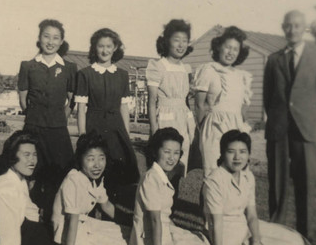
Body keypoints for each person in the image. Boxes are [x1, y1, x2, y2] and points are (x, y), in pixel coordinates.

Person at [263, 10, 316, 240]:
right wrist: (276, 118)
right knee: (277, 179)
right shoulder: (274, 59)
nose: (293, 30)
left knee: (306, 182)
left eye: (297, 25)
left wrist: (315, 124)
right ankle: (276, 228)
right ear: (283, 28)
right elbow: (267, 96)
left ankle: (305, 231)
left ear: (305, 29)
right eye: (289, 26)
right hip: (279, 128)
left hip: (306, 129)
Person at [203, 130, 307, 245]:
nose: (237, 157)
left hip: (244, 227)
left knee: (295, 240)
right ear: (222, 153)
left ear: (249, 154)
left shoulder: (248, 176)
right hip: (228, 236)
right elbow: (216, 223)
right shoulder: (214, 181)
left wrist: (256, 241)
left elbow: (252, 215)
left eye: (243, 152)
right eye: (231, 151)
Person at [75, 28, 140, 224]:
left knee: (114, 173)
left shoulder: (122, 74)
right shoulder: (85, 74)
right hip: (94, 125)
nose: (104, 50)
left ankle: (108, 216)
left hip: (115, 128)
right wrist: (82, 135)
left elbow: (123, 107)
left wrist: (126, 135)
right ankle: (90, 216)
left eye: (109, 46)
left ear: (115, 48)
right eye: (101, 46)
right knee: (92, 171)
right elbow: (81, 109)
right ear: (95, 48)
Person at [129, 128, 212, 245]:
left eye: (176, 153)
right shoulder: (152, 179)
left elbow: (162, 215)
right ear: (156, 152)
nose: (172, 158)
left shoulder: (160, 175)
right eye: (167, 152)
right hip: (149, 240)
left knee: (199, 240)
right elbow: (155, 220)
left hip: (160, 230)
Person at [17, 19, 77, 222]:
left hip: (57, 128)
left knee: (62, 171)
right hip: (33, 127)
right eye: (46, 36)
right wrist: (33, 116)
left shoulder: (69, 67)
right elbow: (23, 97)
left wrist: (61, 117)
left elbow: (72, 98)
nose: (50, 42)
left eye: (55, 38)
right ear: (39, 38)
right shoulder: (28, 65)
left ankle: (55, 213)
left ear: (61, 42)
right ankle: (31, 214)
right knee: (31, 172)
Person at [52, 133, 130, 245]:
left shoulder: (94, 179)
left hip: (84, 226)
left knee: (124, 233)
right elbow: (72, 220)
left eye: (101, 158)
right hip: (68, 235)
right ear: (80, 159)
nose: (97, 165)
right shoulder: (74, 180)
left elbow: (106, 206)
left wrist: (133, 221)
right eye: (91, 159)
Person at [193, 26, 253, 177]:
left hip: (236, 129)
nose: (231, 52)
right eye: (228, 47)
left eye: (235, 49)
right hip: (214, 129)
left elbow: (243, 109)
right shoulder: (208, 70)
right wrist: (202, 131)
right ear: (219, 47)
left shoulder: (242, 76)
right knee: (213, 175)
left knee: (233, 177)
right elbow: (199, 105)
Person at [146, 19, 195, 176]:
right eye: (176, 40)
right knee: (161, 167)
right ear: (166, 41)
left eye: (184, 41)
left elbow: (187, 100)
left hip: (183, 120)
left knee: (179, 165)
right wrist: (154, 130)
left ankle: (172, 200)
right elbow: (152, 101)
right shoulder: (158, 66)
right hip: (165, 120)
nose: (181, 45)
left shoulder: (186, 69)